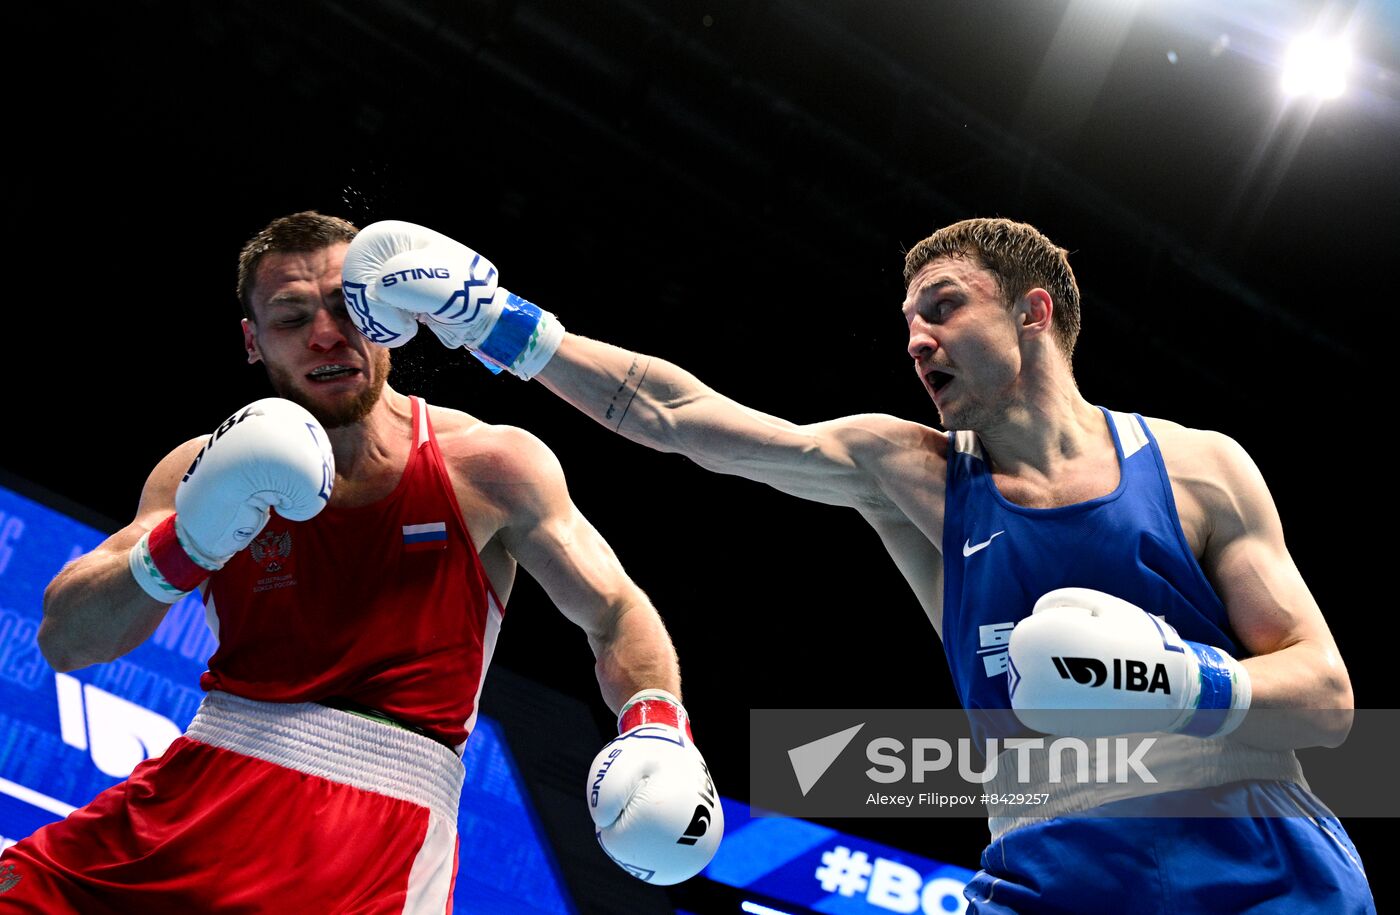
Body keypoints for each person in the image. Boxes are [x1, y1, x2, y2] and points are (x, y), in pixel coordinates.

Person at [339, 216, 1374, 912]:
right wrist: (500, 323)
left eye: (941, 307)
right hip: (1054, 879)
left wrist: (1173, 683)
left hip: (1259, 867)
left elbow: (1325, 700)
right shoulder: (909, 472)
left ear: (1032, 311)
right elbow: (680, 417)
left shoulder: (1196, 469)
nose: (916, 339)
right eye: (907, 323)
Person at [0, 212, 720, 912]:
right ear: (253, 341)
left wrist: (655, 717)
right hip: (191, 797)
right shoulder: (201, 470)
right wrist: (185, 543)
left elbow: (616, 610)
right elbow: (65, 639)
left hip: (375, 841)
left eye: (349, 309)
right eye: (291, 318)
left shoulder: (491, 465)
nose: (325, 335)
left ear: (392, 317)